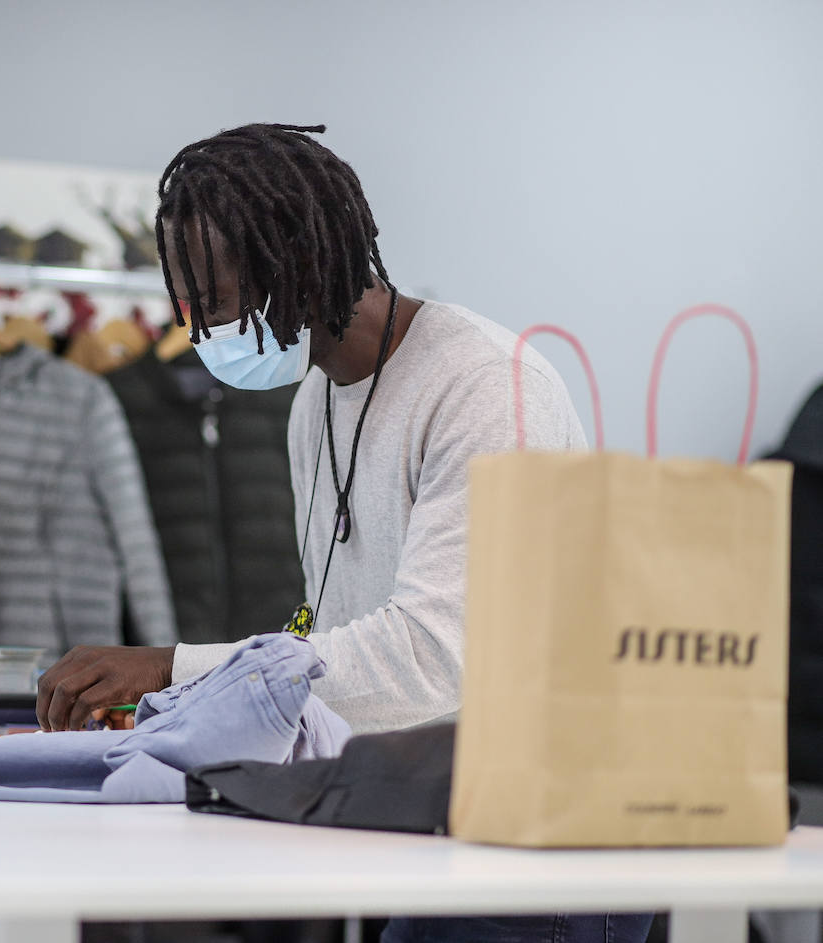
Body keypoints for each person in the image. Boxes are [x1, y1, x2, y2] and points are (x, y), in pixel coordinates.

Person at [37, 123, 651, 943]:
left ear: (289, 265)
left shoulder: (484, 389)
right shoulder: (311, 407)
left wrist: (172, 668)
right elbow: (334, 637)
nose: (198, 328)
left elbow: (429, 661)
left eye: (212, 301)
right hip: (440, 824)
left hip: (552, 844)